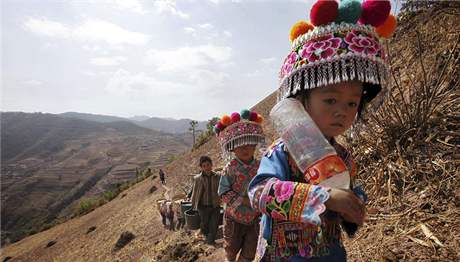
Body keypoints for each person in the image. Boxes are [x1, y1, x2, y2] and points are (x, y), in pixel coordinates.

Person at [248, 0, 397, 261]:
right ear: (301, 100)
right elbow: (260, 193)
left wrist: (353, 207)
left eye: (352, 103)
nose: (343, 111)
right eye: (330, 100)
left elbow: (346, 197)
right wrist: (324, 196)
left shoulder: (344, 157)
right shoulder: (281, 152)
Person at [216, 109, 266, 262]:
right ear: (232, 148)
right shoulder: (229, 169)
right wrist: (244, 201)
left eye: (250, 144)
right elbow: (223, 192)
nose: (245, 149)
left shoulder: (261, 166)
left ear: (255, 145)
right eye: (240, 145)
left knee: (250, 252)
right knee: (231, 249)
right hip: (234, 218)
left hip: (255, 218)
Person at [190, 156, 221, 245]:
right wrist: (193, 206)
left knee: (214, 225)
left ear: (211, 165)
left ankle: (210, 242)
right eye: (204, 166)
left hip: (215, 206)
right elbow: (195, 193)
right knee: (205, 224)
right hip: (203, 207)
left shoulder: (218, 176)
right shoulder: (197, 179)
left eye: (208, 165)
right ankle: (205, 235)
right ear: (201, 167)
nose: (206, 167)